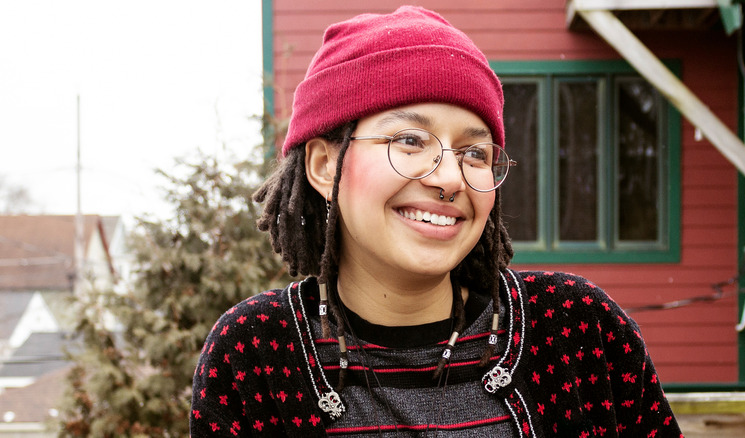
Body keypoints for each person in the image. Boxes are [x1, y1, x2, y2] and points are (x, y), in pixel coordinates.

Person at [190, 6, 682, 437]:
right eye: (409, 140)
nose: (450, 178)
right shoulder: (256, 355)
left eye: (474, 152)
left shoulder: (578, 332)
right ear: (323, 166)